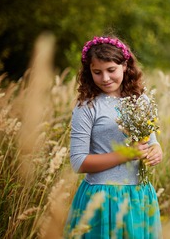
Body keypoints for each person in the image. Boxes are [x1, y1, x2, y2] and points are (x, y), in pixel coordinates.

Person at [64, 36, 163, 238]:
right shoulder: (87, 106)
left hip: (139, 194)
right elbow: (78, 162)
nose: (105, 78)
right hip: (103, 197)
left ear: (125, 66)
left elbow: (151, 142)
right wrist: (126, 154)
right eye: (97, 72)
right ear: (88, 72)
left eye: (111, 70)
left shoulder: (140, 100)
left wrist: (157, 151)